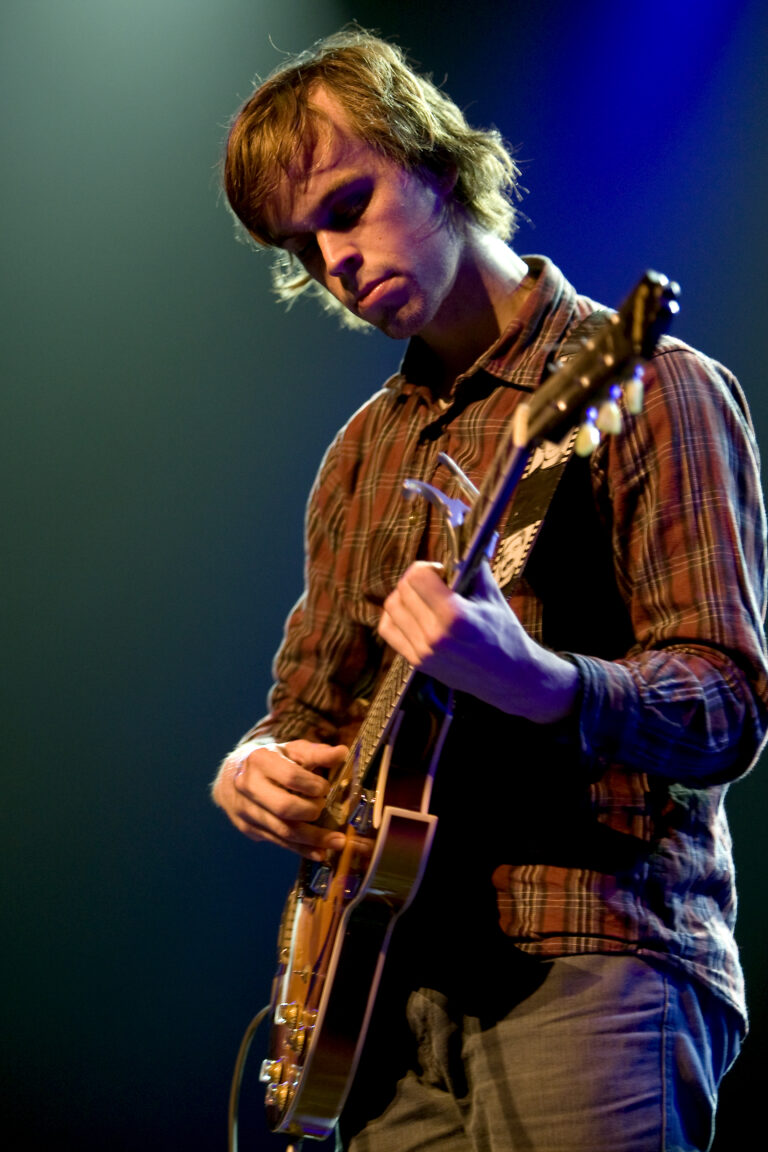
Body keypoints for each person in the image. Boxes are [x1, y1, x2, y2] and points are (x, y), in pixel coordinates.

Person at [211, 27, 768, 1152]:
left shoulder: (655, 386)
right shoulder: (359, 455)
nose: (336, 262)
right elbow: (308, 710)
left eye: (349, 206)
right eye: (304, 247)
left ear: (435, 161)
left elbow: (728, 705)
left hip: (595, 956)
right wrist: (253, 767)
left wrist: (542, 684)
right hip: (382, 992)